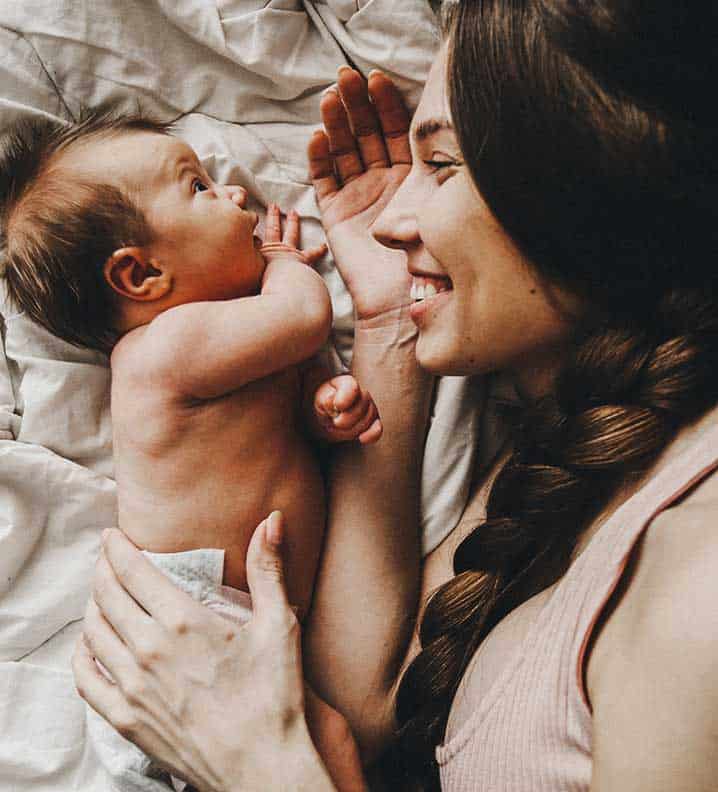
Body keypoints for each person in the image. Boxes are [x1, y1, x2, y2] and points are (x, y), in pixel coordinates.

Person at [74, 1, 718, 790]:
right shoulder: (585, 451)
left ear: (593, 178)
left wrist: (254, 764)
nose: (393, 221)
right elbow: (370, 698)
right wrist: (385, 320)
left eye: (441, 165)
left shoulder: (700, 571)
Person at [0, 112, 380, 792]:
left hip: (223, 622)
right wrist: (286, 264)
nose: (236, 196)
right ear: (141, 274)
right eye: (199, 188)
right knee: (331, 741)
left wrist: (328, 413)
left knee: (332, 741)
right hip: (188, 618)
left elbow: (279, 439)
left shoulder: (224, 349)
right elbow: (304, 318)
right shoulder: (159, 354)